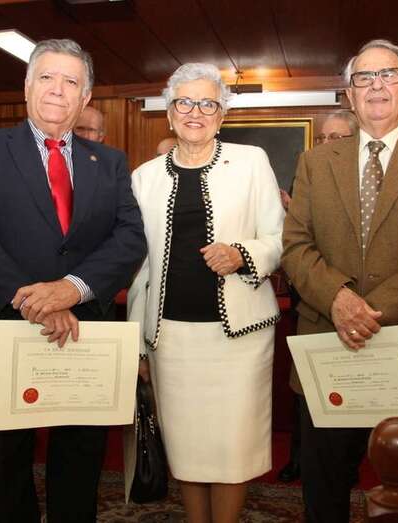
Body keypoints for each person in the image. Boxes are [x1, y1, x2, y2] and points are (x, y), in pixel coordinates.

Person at [0, 38, 146, 523]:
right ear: (28, 85)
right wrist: (35, 300)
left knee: (78, 468)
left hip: (84, 338)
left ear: (86, 98)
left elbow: (130, 239)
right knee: (3, 474)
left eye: (71, 81)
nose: (58, 90)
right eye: (47, 77)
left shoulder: (110, 162)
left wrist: (72, 288)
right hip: (0, 334)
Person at [281, 39, 398, 523]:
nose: (376, 86)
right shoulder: (314, 163)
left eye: (389, 74)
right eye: (363, 78)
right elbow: (296, 246)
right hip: (327, 342)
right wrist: (338, 300)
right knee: (324, 486)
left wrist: (367, 310)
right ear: (349, 94)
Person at [127, 62, 284, 523]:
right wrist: (138, 343)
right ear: (170, 114)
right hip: (171, 339)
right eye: (185, 102)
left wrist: (242, 253)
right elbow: (140, 270)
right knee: (187, 448)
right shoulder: (144, 177)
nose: (196, 111)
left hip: (240, 339)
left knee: (232, 450)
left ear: (222, 114)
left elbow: (279, 238)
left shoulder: (252, 162)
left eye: (208, 103)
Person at [277, 111, 359, 481]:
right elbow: (298, 243)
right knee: (307, 396)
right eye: (323, 138)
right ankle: (299, 460)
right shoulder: (309, 172)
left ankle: (351, 464)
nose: (328, 144)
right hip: (311, 305)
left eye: (338, 138)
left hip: (360, 306)